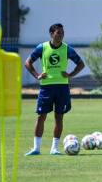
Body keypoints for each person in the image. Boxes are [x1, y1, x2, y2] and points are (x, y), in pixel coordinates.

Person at [24, 23, 85, 156]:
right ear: (51, 34)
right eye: (58, 32)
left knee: (59, 117)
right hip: (46, 87)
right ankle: (36, 148)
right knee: (41, 116)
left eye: (62, 32)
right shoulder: (42, 47)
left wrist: (70, 75)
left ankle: (54, 149)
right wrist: (37, 75)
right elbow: (27, 62)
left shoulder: (67, 49)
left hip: (62, 87)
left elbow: (81, 64)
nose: (61, 35)